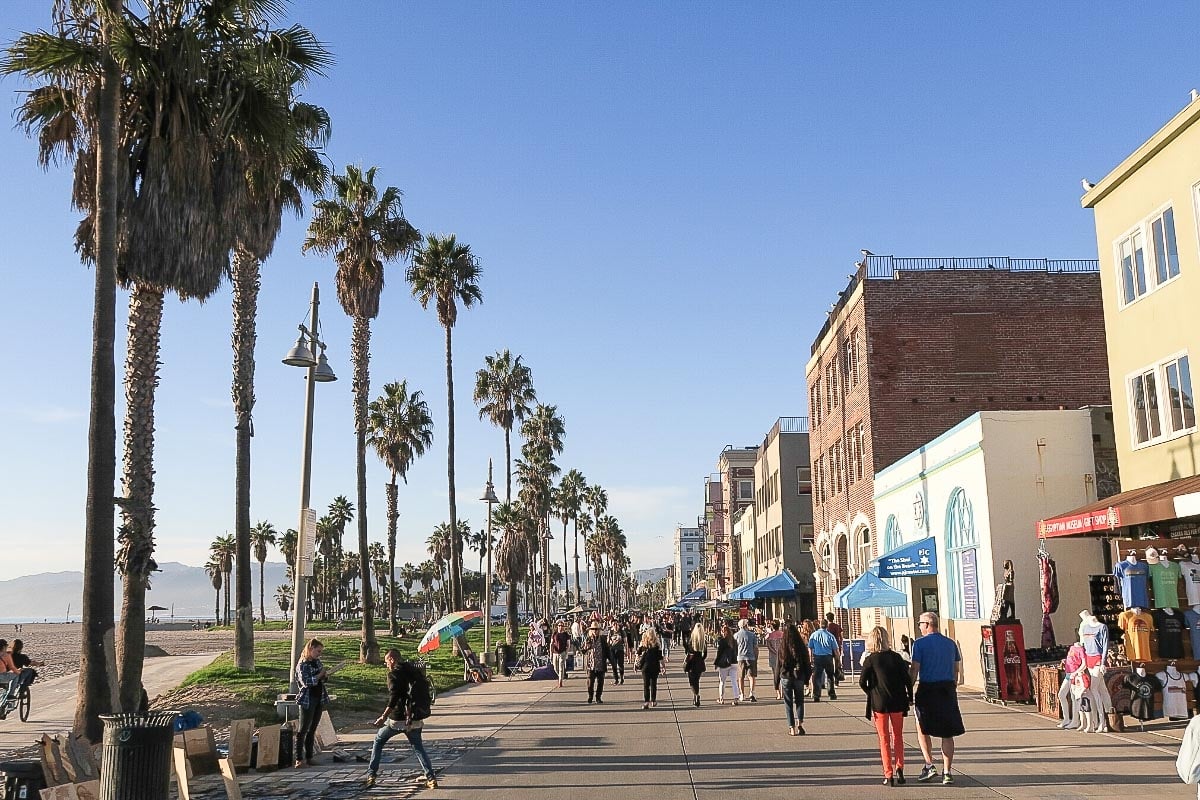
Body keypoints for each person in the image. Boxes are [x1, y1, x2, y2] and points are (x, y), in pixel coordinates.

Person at [365, 649, 437, 790]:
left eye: (386, 662)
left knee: (378, 741)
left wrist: (383, 716)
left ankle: (371, 775)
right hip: (415, 717)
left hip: (398, 719)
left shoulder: (394, 674)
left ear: (392, 659)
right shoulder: (414, 671)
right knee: (418, 748)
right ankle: (431, 778)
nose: (386, 665)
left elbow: (394, 697)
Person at [910, 612, 965, 785]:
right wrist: (953, 685)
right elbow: (956, 669)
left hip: (927, 688)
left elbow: (914, 670)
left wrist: (908, 690)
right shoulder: (950, 644)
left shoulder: (919, 644)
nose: (919, 626)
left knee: (922, 727)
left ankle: (929, 764)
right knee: (947, 732)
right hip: (947, 689)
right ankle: (947, 771)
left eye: (920, 623)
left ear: (927, 624)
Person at [860, 626, 914, 787]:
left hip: (879, 703)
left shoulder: (871, 659)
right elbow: (907, 680)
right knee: (898, 736)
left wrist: (871, 692)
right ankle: (900, 768)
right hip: (897, 700)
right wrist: (909, 698)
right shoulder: (897, 657)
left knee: (884, 738)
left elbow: (862, 681)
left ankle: (888, 773)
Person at [294, 638, 330, 768]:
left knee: (312, 729)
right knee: (303, 729)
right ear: (310, 649)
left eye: (321, 652)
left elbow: (321, 678)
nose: (319, 654)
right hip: (307, 699)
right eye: (318, 651)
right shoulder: (303, 664)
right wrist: (320, 675)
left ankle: (309, 757)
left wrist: (324, 676)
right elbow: (307, 682)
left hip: (319, 697)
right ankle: (299, 759)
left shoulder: (317, 662)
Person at [779, 623, 812, 735]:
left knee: (788, 702)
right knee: (799, 701)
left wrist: (776, 683)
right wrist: (807, 679)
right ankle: (800, 724)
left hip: (786, 676)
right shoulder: (801, 647)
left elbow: (778, 665)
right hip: (799, 676)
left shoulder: (782, 646)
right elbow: (807, 663)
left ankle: (791, 727)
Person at [807, 619, 839, 700]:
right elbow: (835, 650)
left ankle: (816, 695)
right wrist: (838, 660)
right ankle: (831, 694)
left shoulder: (814, 635)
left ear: (820, 625)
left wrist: (810, 658)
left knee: (817, 677)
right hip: (828, 657)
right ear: (827, 625)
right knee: (830, 676)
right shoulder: (830, 636)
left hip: (817, 657)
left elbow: (810, 648)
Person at [636, 629, 665, 709]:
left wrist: (635, 664)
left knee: (646, 685)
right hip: (655, 666)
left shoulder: (643, 643)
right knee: (653, 684)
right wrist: (663, 666)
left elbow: (637, 655)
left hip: (645, 667)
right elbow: (660, 658)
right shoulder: (657, 644)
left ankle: (646, 702)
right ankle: (653, 700)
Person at [582, 622, 610, 704]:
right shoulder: (588, 639)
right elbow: (583, 650)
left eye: (596, 629)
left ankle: (598, 697)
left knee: (600, 683)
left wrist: (612, 661)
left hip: (600, 664)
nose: (595, 631)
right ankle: (590, 696)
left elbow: (607, 651)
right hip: (591, 665)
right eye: (593, 629)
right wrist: (586, 647)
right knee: (590, 683)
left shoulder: (602, 640)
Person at [714, 621, 741, 705]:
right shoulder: (734, 641)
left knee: (722, 682)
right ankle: (736, 698)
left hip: (724, 664)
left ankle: (721, 699)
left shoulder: (722, 641)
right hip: (734, 662)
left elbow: (719, 653)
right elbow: (736, 652)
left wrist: (716, 663)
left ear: (723, 632)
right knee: (734, 681)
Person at [735, 618, 759, 702]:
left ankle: (742, 694)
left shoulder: (736, 635)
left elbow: (734, 648)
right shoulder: (752, 635)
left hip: (740, 658)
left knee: (741, 677)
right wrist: (756, 657)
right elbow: (755, 648)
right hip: (751, 657)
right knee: (751, 676)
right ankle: (752, 693)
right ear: (746, 625)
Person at [684, 622, 708, 707]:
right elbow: (705, 654)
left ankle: (696, 695)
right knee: (696, 680)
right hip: (700, 663)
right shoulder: (703, 641)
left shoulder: (691, 639)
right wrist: (701, 659)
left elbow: (688, 651)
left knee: (692, 681)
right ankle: (695, 697)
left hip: (691, 663)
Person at [765, 620, 785, 700]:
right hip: (782, 656)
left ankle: (778, 694)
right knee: (783, 674)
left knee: (775, 675)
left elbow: (769, 646)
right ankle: (783, 692)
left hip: (773, 657)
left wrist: (774, 651)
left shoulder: (769, 636)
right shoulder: (783, 634)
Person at [550, 621, 572, 687]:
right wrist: (551, 653)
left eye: (562, 626)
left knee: (561, 667)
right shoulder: (554, 634)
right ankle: (561, 675)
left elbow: (568, 645)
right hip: (555, 652)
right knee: (555, 667)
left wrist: (566, 652)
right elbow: (551, 644)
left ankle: (560, 681)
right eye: (559, 625)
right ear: (557, 626)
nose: (560, 627)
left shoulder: (566, 634)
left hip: (562, 652)